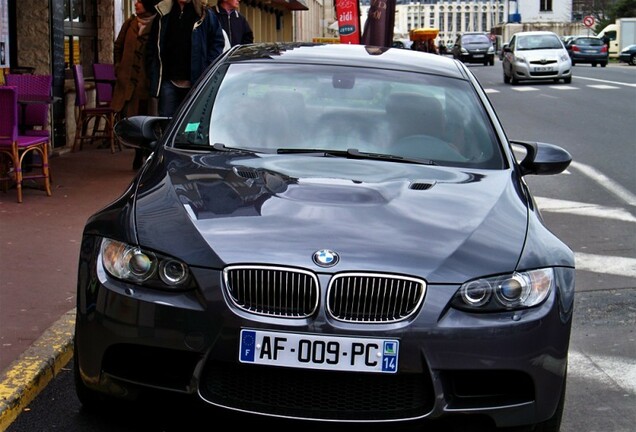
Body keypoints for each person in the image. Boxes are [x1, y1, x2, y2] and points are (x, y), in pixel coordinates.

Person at [147, 0, 226, 117]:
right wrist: (153, 73)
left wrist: (208, 68)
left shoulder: (204, 14)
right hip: (168, 83)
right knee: (166, 125)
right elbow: (152, 47)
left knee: (192, 125)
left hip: (196, 83)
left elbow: (217, 42)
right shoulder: (163, 13)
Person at [112, 0, 158, 170]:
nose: (136, 4)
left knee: (146, 118)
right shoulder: (129, 23)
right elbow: (118, 46)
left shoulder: (156, 23)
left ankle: (144, 153)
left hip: (146, 82)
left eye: (140, 2)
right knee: (131, 117)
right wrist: (118, 67)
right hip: (128, 82)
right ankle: (137, 153)